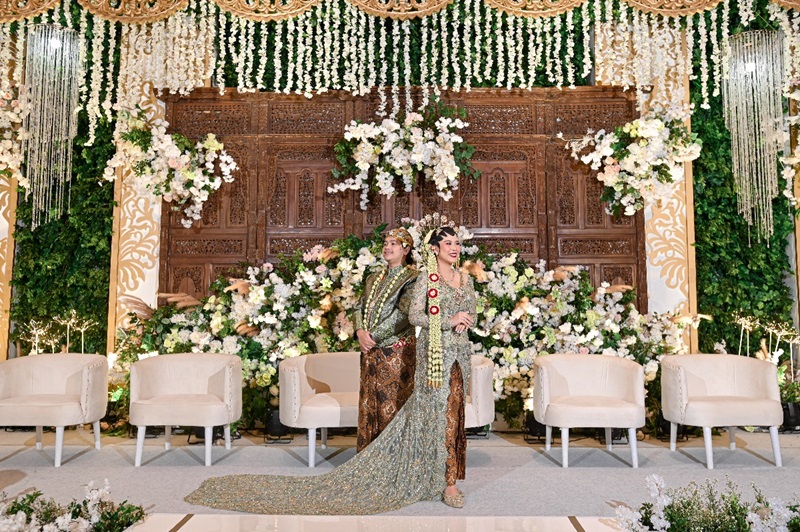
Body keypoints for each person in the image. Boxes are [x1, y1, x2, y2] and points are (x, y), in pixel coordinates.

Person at [185, 221, 478, 514]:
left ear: (407, 249)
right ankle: (379, 467)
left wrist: (379, 336)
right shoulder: (395, 278)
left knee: (438, 414)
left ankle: (437, 476)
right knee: (381, 410)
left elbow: (416, 316)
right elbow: (386, 311)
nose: (455, 248)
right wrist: (362, 332)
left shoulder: (436, 278)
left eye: (457, 243)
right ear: (434, 249)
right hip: (411, 356)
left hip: (413, 354)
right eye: (448, 243)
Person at [353, 227, 418, 451]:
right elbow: (359, 307)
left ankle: (392, 457)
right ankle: (368, 455)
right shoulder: (373, 278)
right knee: (369, 403)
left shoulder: (413, 278)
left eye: (394, 244)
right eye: (386, 243)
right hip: (370, 351)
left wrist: (372, 336)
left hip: (396, 352)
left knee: (392, 404)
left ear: (406, 250)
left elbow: (403, 314)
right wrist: (360, 332)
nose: (387, 247)